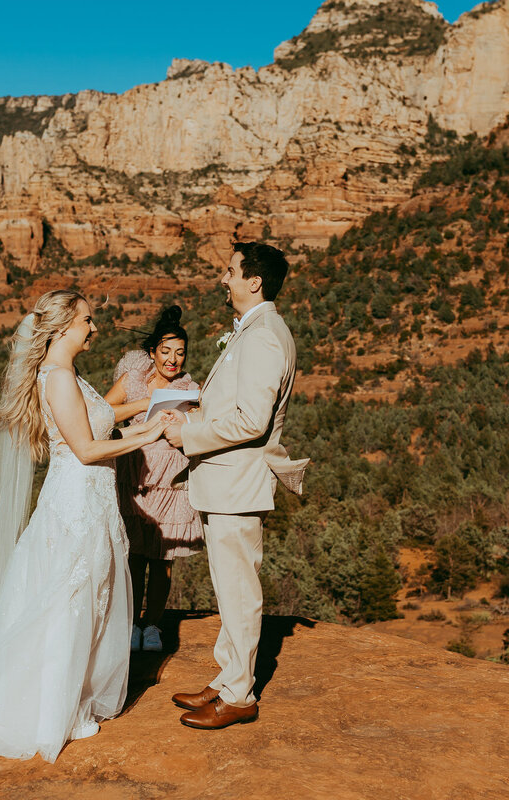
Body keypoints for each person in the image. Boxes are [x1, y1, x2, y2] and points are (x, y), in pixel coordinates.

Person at [0, 289, 178, 763]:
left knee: (88, 600)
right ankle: (52, 715)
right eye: (88, 321)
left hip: (90, 500)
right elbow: (86, 449)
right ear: (63, 327)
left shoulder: (69, 375)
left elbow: (102, 428)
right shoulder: (57, 378)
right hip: (75, 501)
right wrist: (152, 433)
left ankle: (70, 700)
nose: (94, 328)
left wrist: (149, 424)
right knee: (69, 604)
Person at [163, 241, 309, 730]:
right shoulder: (251, 331)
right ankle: (228, 676)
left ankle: (240, 695)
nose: (222, 280)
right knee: (228, 587)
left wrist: (188, 435)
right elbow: (235, 408)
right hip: (225, 482)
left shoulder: (265, 335)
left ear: (254, 281)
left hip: (237, 483)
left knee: (239, 590)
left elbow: (251, 420)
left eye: (229, 272)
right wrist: (197, 410)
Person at [105, 305, 203, 654]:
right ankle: (130, 622)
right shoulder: (132, 381)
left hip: (171, 482)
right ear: (152, 352)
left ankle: (153, 626)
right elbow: (104, 412)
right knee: (133, 555)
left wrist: (190, 418)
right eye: (165, 351)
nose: (173, 359)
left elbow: (202, 425)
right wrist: (142, 406)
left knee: (163, 559)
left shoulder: (190, 387)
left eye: (180, 353)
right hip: (136, 476)